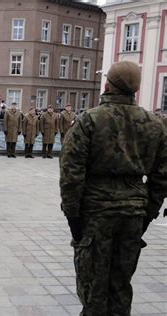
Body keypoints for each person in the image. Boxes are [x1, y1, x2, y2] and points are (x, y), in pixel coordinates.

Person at [60, 60, 167, 316]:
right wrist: (148, 215)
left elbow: (71, 174)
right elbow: (161, 177)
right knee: (121, 285)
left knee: (94, 287)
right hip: (133, 214)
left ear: (108, 85)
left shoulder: (89, 120)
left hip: (96, 214)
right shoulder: (155, 124)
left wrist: (73, 218)